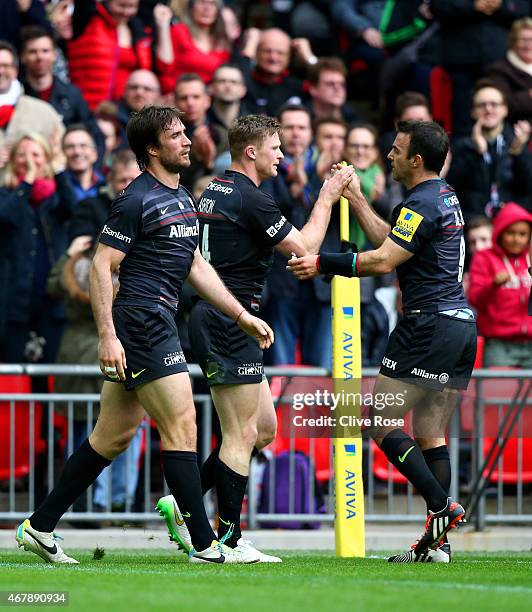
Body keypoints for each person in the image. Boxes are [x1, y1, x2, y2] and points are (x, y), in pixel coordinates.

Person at [15, 105, 275, 565]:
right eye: (176, 136)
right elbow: (100, 264)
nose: (187, 141)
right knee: (183, 426)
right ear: (152, 148)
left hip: (155, 320)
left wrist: (239, 315)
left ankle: (39, 526)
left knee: (110, 436)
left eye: (184, 133)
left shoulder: (182, 198)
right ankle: (204, 545)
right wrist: (107, 336)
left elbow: (195, 264)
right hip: (141, 322)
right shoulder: (135, 199)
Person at [155, 114, 354, 561]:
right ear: (252, 151)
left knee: (263, 429)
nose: (282, 155)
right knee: (241, 433)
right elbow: (304, 248)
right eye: (276, 148)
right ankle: (228, 537)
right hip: (231, 319)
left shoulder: (217, 187)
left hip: (225, 317)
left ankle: (185, 499)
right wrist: (327, 195)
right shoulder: (251, 198)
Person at [288, 120, 475, 562]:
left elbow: (384, 259)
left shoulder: (420, 203)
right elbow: (394, 243)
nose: (388, 156)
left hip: (426, 326)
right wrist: (355, 198)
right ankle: (437, 545)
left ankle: (441, 507)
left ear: (416, 160)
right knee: (430, 434)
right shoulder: (441, 196)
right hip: (460, 325)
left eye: (396, 150)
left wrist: (323, 261)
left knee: (378, 420)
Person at [0, 131, 76, 364]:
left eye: (36, 154)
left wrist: (60, 169)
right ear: (13, 159)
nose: (29, 160)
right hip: (14, 299)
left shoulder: (55, 196)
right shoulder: (7, 193)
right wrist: (27, 181)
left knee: (49, 372)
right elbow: (6, 216)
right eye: (21, 154)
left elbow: (72, 208)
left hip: (50, 300)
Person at [447, 80, 532, 221]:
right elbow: (451, 190)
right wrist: (476, 154)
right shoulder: (461, 146)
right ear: (473, 112)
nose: (488, 109)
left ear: (505, 109)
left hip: (510, 224)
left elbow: (528, 190)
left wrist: (519, 153)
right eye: (482, 105)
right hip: (473, 225)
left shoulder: (517, 143)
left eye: (494, 104)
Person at [19, 26, 105, 162]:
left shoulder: (72, 94)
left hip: (67, 167)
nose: (40, 57)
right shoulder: (16, 95)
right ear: (23, 57)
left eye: (45, 51)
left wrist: (93, 169)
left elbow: (96, 135)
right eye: (33, 52)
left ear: (54, 55)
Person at [469, 203, 532, 368]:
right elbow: (475, 299)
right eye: (510, 233)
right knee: (497, 393)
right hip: (499, 345)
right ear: (499, 232)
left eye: (523, 234)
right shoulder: (484, 258)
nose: (517, 238)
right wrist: (493, 285)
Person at [66, 0, 152, 110]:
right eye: (121, 5)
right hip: (90, 106)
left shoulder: (139, 31)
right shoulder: (88, 18)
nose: (126, 11)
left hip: (126, 110)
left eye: (132, 6)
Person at [0, 40, 65, 181]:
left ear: (15, 70)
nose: (0, 71)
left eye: (5, 66)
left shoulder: (43, 112)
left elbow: (61, 157)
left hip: (36, 197)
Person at [154, 0, 231, 94]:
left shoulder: (221, 41)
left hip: (205, 99)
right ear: (191, 7)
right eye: (201, 2)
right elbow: (164, 66)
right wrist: (163, 26)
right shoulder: (179, 31)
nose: (206, 8)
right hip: (174, 96)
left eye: (212, 3)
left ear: (218, 10)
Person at [487, 17, 532, 123]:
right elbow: (502, 103)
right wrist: (529, 96)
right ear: (513, 42)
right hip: (516, 128)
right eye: (523, 40)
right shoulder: (499, 70)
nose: (528, 45)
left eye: (531, 39)